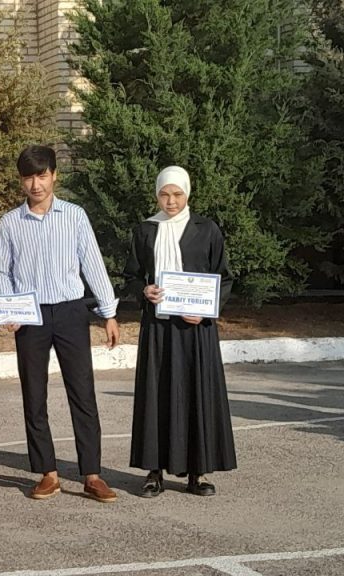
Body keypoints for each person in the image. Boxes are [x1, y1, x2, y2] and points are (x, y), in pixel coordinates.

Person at [0, 145, 121, 503]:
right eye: (28, 177)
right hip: (30, 316)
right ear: (21, 181)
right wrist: (9, 309)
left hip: (70, 312)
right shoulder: (9, 223)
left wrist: (108, 312)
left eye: (42, 175)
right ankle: (47, 473)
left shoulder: (75, 216)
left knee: (83, 393)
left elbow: (92, 263)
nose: (36, 184)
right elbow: (1, 271)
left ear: (54, 176)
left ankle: (92, 474)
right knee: (34, 395)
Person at [123, 166, 236, 497]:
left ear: (187, 194)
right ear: (156, 195)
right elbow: (131, 276)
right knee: (156, 395)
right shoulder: (146, 230)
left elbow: (223, 277)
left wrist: (205, 311)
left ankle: (197, 472)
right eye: (164, 194)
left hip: (196, 330)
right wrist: (143, 291)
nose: (170, 201)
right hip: (158, 328)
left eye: (177, 194)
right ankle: (154, 471)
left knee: (195, 394)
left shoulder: (207, 229)